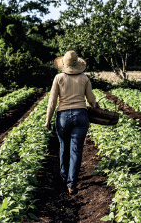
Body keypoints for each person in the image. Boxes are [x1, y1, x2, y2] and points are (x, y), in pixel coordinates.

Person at [44, 50, 100, 195]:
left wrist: (47, 120)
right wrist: (96, 106)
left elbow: (52, 102)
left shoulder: (58, 78)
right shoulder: (84, 78)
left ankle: (63, 175)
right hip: (81, 116)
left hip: (63, 116)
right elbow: (91, 98)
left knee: (64, 146)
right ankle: (72, 183)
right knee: (76, 150)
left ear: (64, 64)